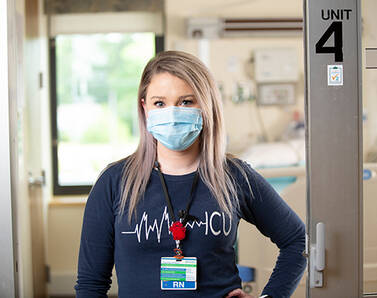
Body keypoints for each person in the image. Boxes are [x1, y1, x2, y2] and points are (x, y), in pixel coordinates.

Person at [74, 51, 306, 298]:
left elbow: (297, 242)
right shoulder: (115, 181)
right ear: (144, 107)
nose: (172, 113)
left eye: (186, 102)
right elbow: (91, 284)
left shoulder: (235, 177)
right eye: (160, 103)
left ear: (205, 106)